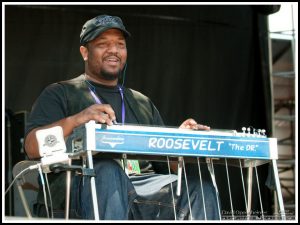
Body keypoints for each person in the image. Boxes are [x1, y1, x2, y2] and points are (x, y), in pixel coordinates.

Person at [24, 14, 220, 220]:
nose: (114, 51)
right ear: (84, 52)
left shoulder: (142, 102)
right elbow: (31, 146)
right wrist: (76, 120)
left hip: (142, 189)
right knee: (107, 170)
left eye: (120, 44)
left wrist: (180, 142)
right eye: (103, 44)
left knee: (200, 188)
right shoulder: (60, 93)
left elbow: (168, 166)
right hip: (79, 190)